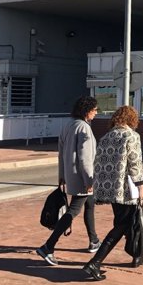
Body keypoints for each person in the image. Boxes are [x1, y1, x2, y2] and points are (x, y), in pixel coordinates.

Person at [83, 105, 143, 281]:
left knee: (126, 222)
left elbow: (98, 163)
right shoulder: (132, 136)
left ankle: (137, 255)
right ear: (132, 119)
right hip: (126, 189)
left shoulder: (106, 137)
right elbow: (135, 163)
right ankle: (95, 262)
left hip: (109, 188)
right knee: (122, 226)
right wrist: (141, 186)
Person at [36, 96, 101, 266]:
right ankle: (48, 246)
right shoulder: (84, 129)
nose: (96, 113)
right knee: (73, 210)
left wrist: (62, 175)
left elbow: (61, 152)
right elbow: (85, 158)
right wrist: (89, 180)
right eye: (94, 110)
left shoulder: (68, 125)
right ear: (87, 111)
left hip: (71, 175)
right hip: (82, 177)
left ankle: (94, 240)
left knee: (90, 204)